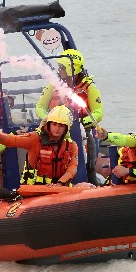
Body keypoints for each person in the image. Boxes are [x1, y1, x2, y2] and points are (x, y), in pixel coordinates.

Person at [35, 49, 103, 184]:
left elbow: (98, 112)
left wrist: (83, 122)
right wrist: (50, 120)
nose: (59, 69)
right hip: (53, 133)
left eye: (62, 67)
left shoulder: (89, 87)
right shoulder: (53, 85)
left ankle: (91, 181)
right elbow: (40, 107)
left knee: (89, 165)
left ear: (72, 69)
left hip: (81, 132)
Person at [0, 105, 78, 186]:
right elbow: (12, 140)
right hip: (34, 190)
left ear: (67, 128)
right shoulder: (35, 139)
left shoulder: (71, 146)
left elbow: (72, 168)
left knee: (87, 186)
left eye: (61, 126)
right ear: (48, 124)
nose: (57, 129)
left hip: (59, 189)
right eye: (54, 124)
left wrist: (60, 183)